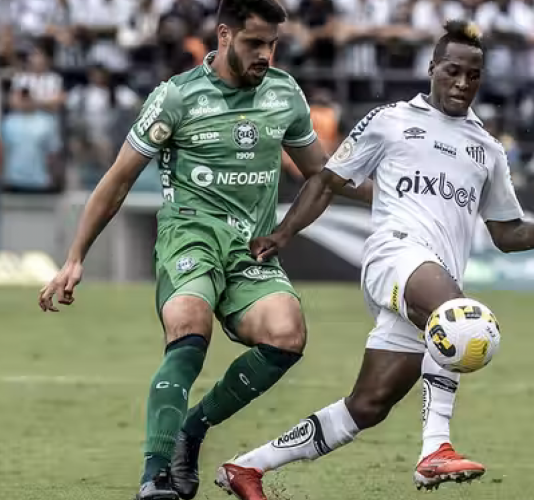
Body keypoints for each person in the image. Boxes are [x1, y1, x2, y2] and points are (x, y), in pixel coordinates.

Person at [215, 20, 534, 499]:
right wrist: (284, 232)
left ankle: (246, 467)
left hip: (433, 280)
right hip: (393, 256)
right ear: (432, 68)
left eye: (473, 75)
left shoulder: (488, 150)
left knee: (368, 406)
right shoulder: (392, 119)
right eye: (453, 71)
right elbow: (328, 180)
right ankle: (434, 450)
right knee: (462, 321)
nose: (462, 83)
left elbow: (507, 233)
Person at [37, 1, 371, 499]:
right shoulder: (176, 97)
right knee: (191, 325)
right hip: (188, 240)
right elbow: (118, 180)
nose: (265, 54)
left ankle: (191, 432)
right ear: (223, 35)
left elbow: (323, 175)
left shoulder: (284, 93)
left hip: (250, 251)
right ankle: (155, 475)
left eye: (272, 44)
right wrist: (75, 257)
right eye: (254, 43)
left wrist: (398, 190)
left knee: (287, 334)